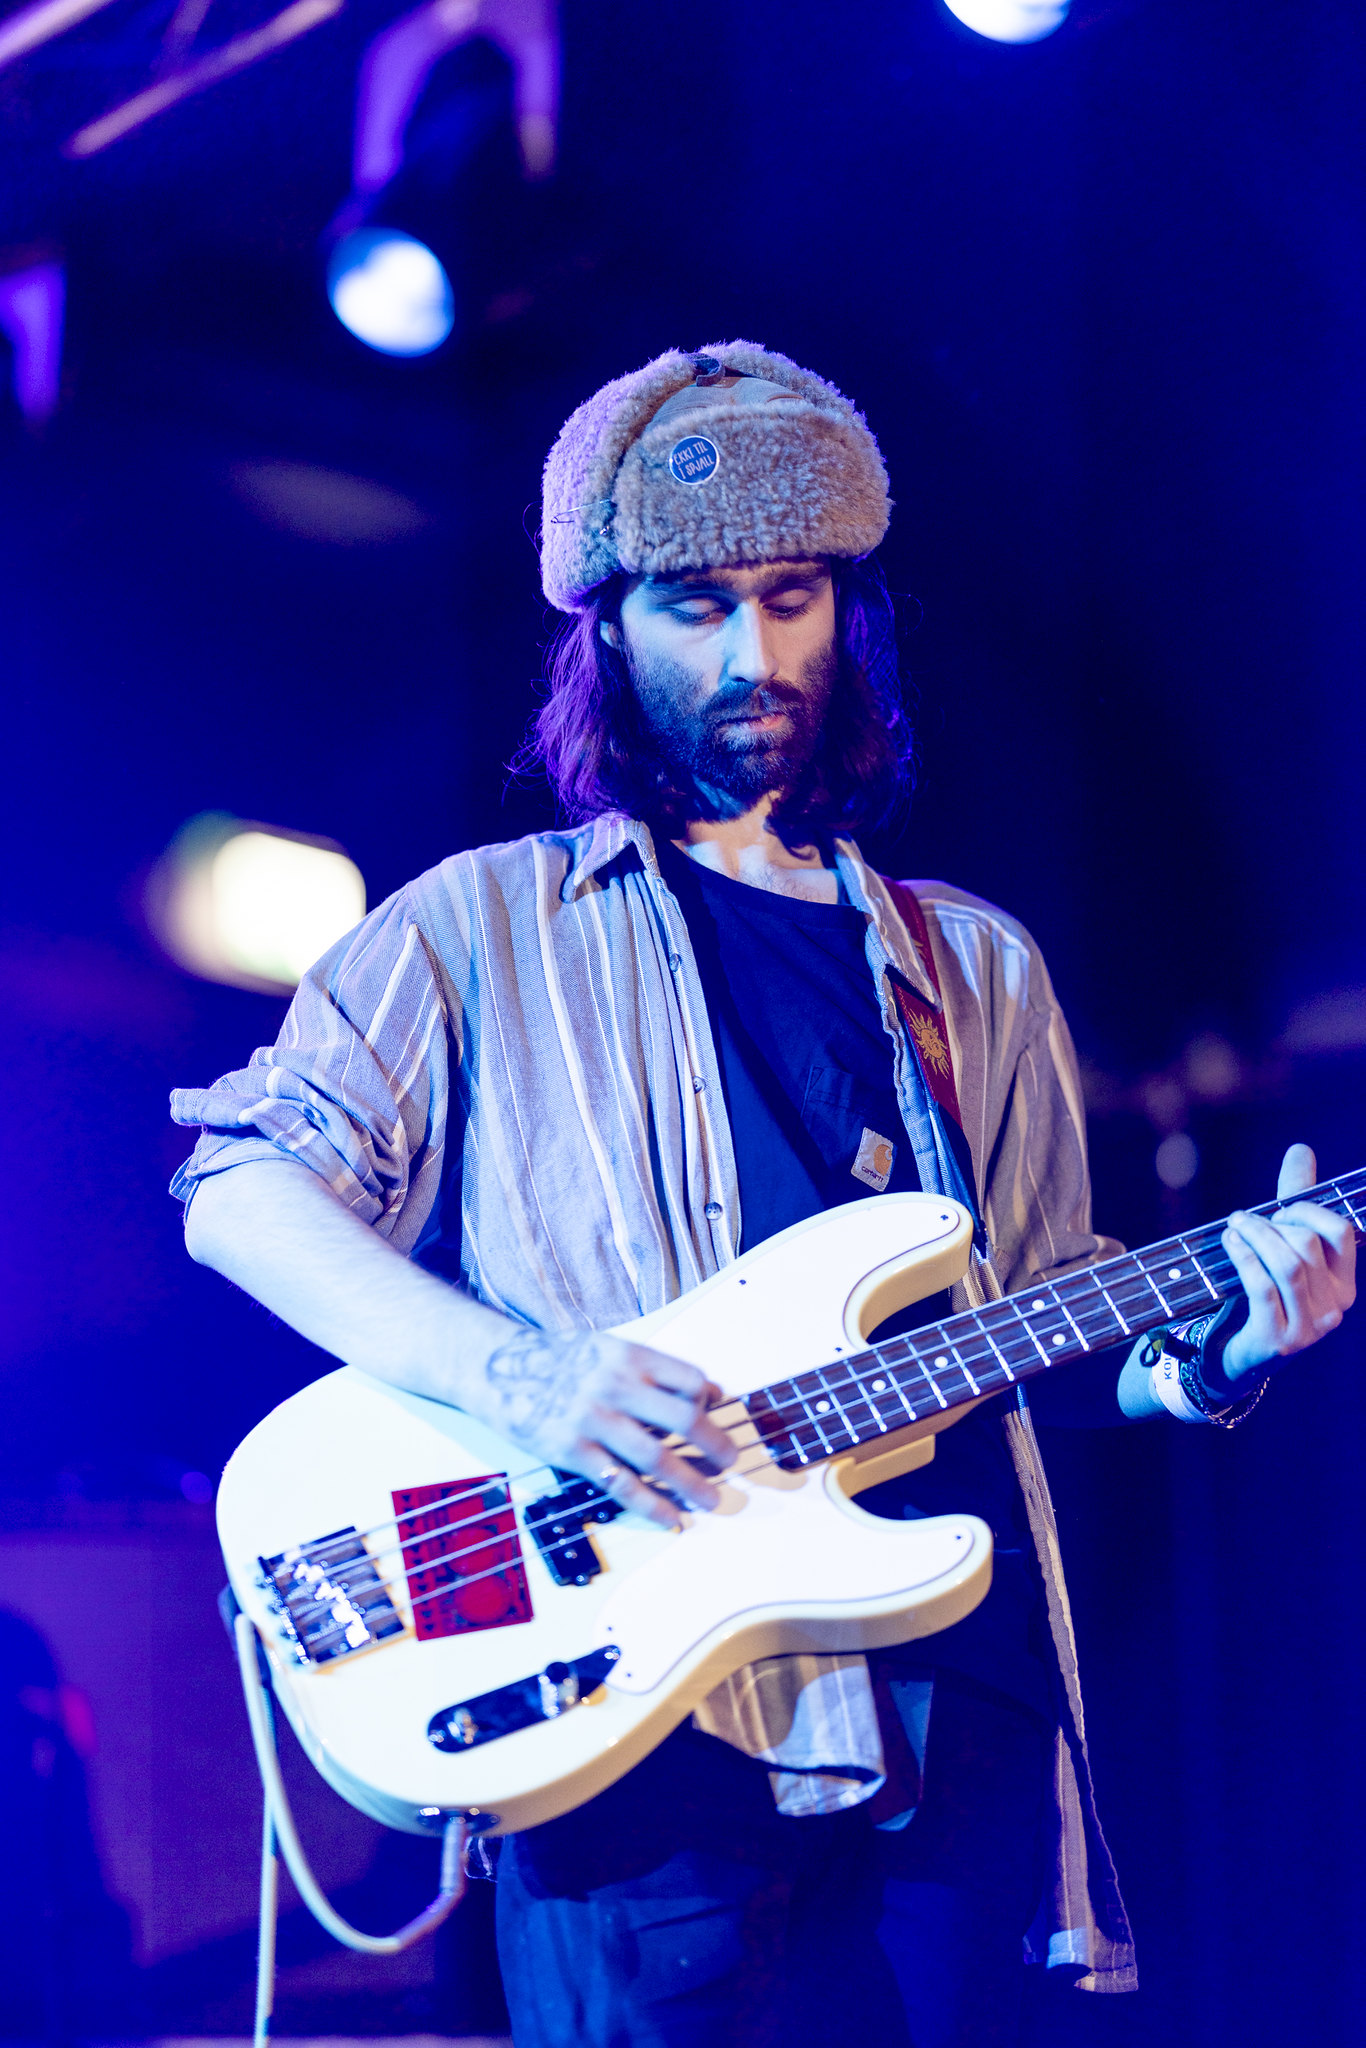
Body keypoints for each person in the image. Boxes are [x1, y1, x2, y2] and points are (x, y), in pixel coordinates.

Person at [171, 343, 1355, 2048]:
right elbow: (242, 1192)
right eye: (692, 605)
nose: (748, 654)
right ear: (605, 627)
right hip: (647, 1728)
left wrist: (1225, 1342)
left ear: (845, 613)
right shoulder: (474, 928)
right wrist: (528, 1376)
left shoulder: (977, 966)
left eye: (789, 597)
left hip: (960, 1709)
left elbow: (1038, 1314)